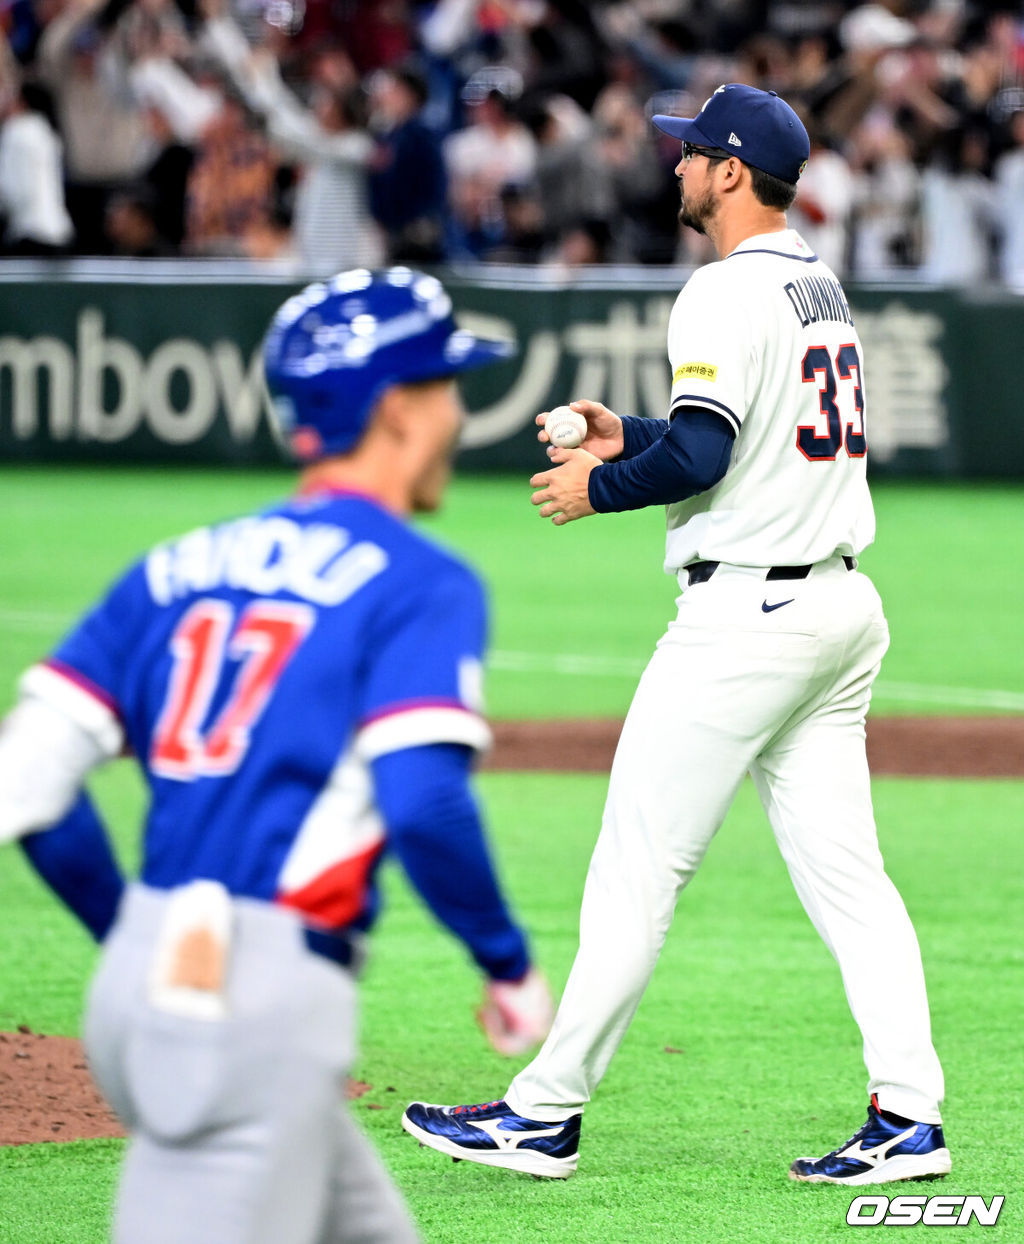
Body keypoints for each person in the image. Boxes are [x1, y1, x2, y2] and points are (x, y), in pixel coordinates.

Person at [402, 84, 951, 1187]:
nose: (675, 168)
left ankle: (541, 1112)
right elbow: (735, 443)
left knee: (635, 868)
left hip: (747, 620)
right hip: (837, 610)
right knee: (852, 880)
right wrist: (628, 433)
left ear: (733, 173)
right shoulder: (814, 283)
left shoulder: (718, 289)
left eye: (692, 152)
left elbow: (703, 460)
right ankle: (908, 1114)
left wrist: (598, 483)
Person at [0, 267, 554, 1243]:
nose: (459, 415)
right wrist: (504, 962)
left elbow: (25, 784)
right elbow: (422, 800)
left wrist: (132, 929)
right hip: (252, 1007)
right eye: (445, 386)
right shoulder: (416, 578)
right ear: (396, 409)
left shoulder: (173, 566)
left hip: (154, 988)